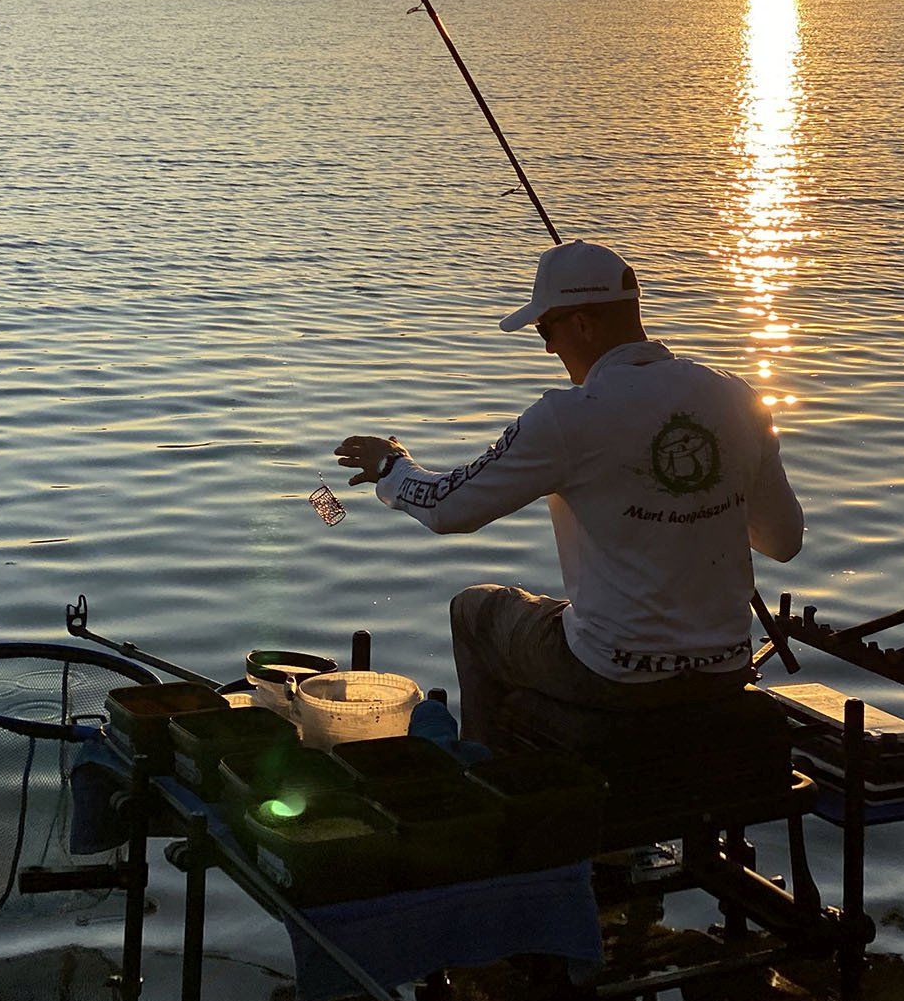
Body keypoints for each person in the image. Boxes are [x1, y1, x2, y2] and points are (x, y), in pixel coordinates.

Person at [333, 240, 803, 745]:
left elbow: (450, 508)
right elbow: (783, 540)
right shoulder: (737, 395)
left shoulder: (568, 417)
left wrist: (392, 468)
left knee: (472, 609)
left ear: (582, 324)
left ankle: (482, 772)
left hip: (609, 673)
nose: (549, 349)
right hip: (725, 667)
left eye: (545, 330)